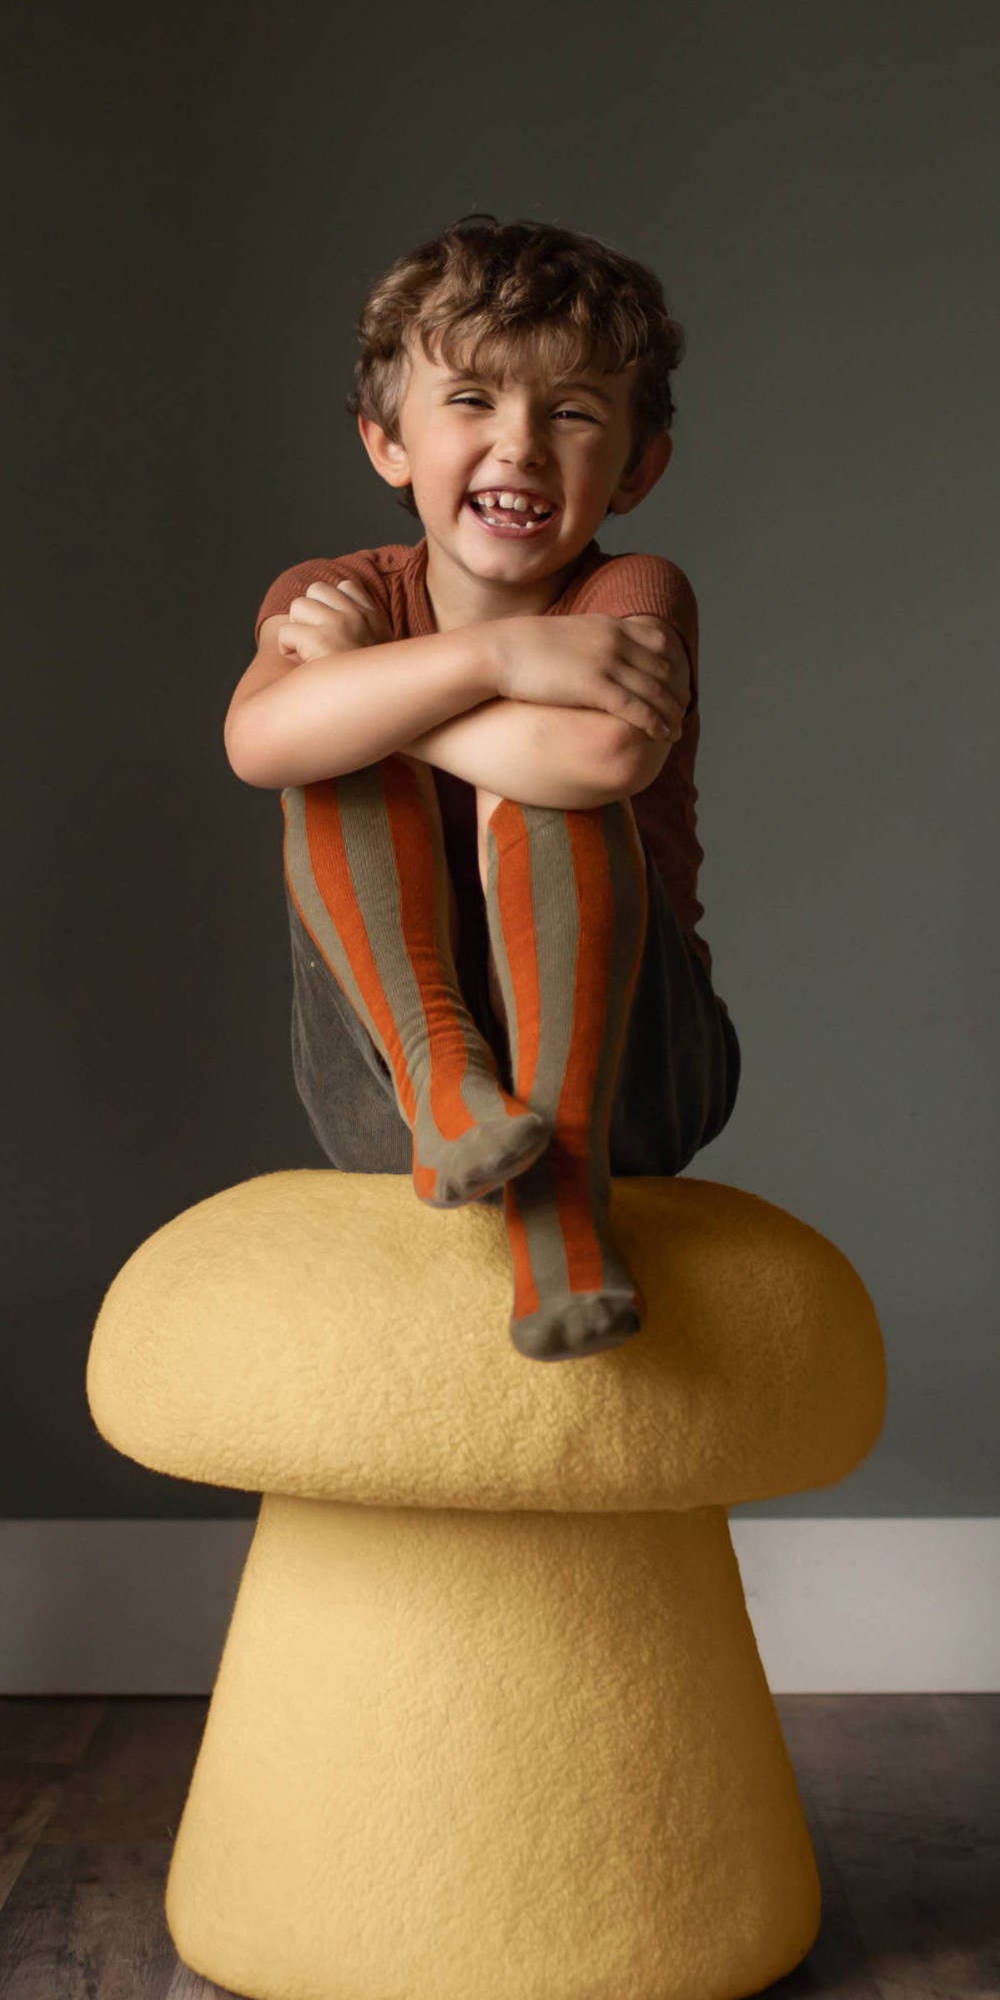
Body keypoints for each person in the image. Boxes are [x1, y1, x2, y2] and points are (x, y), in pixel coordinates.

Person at [223, 213, 738, 1362]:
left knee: (512, 774)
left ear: (639, 466)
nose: (519, 446)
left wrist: (379, 689)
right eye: (471, 401)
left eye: (570, 413)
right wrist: (496, 660)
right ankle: (443, 1067)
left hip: (635, 1077)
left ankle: (560, 1199)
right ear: (386, 443)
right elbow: (260, 743)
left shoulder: (632, 592)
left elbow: (605, 760)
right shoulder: (332, 590)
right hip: (391, 1091)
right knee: (321, 742)